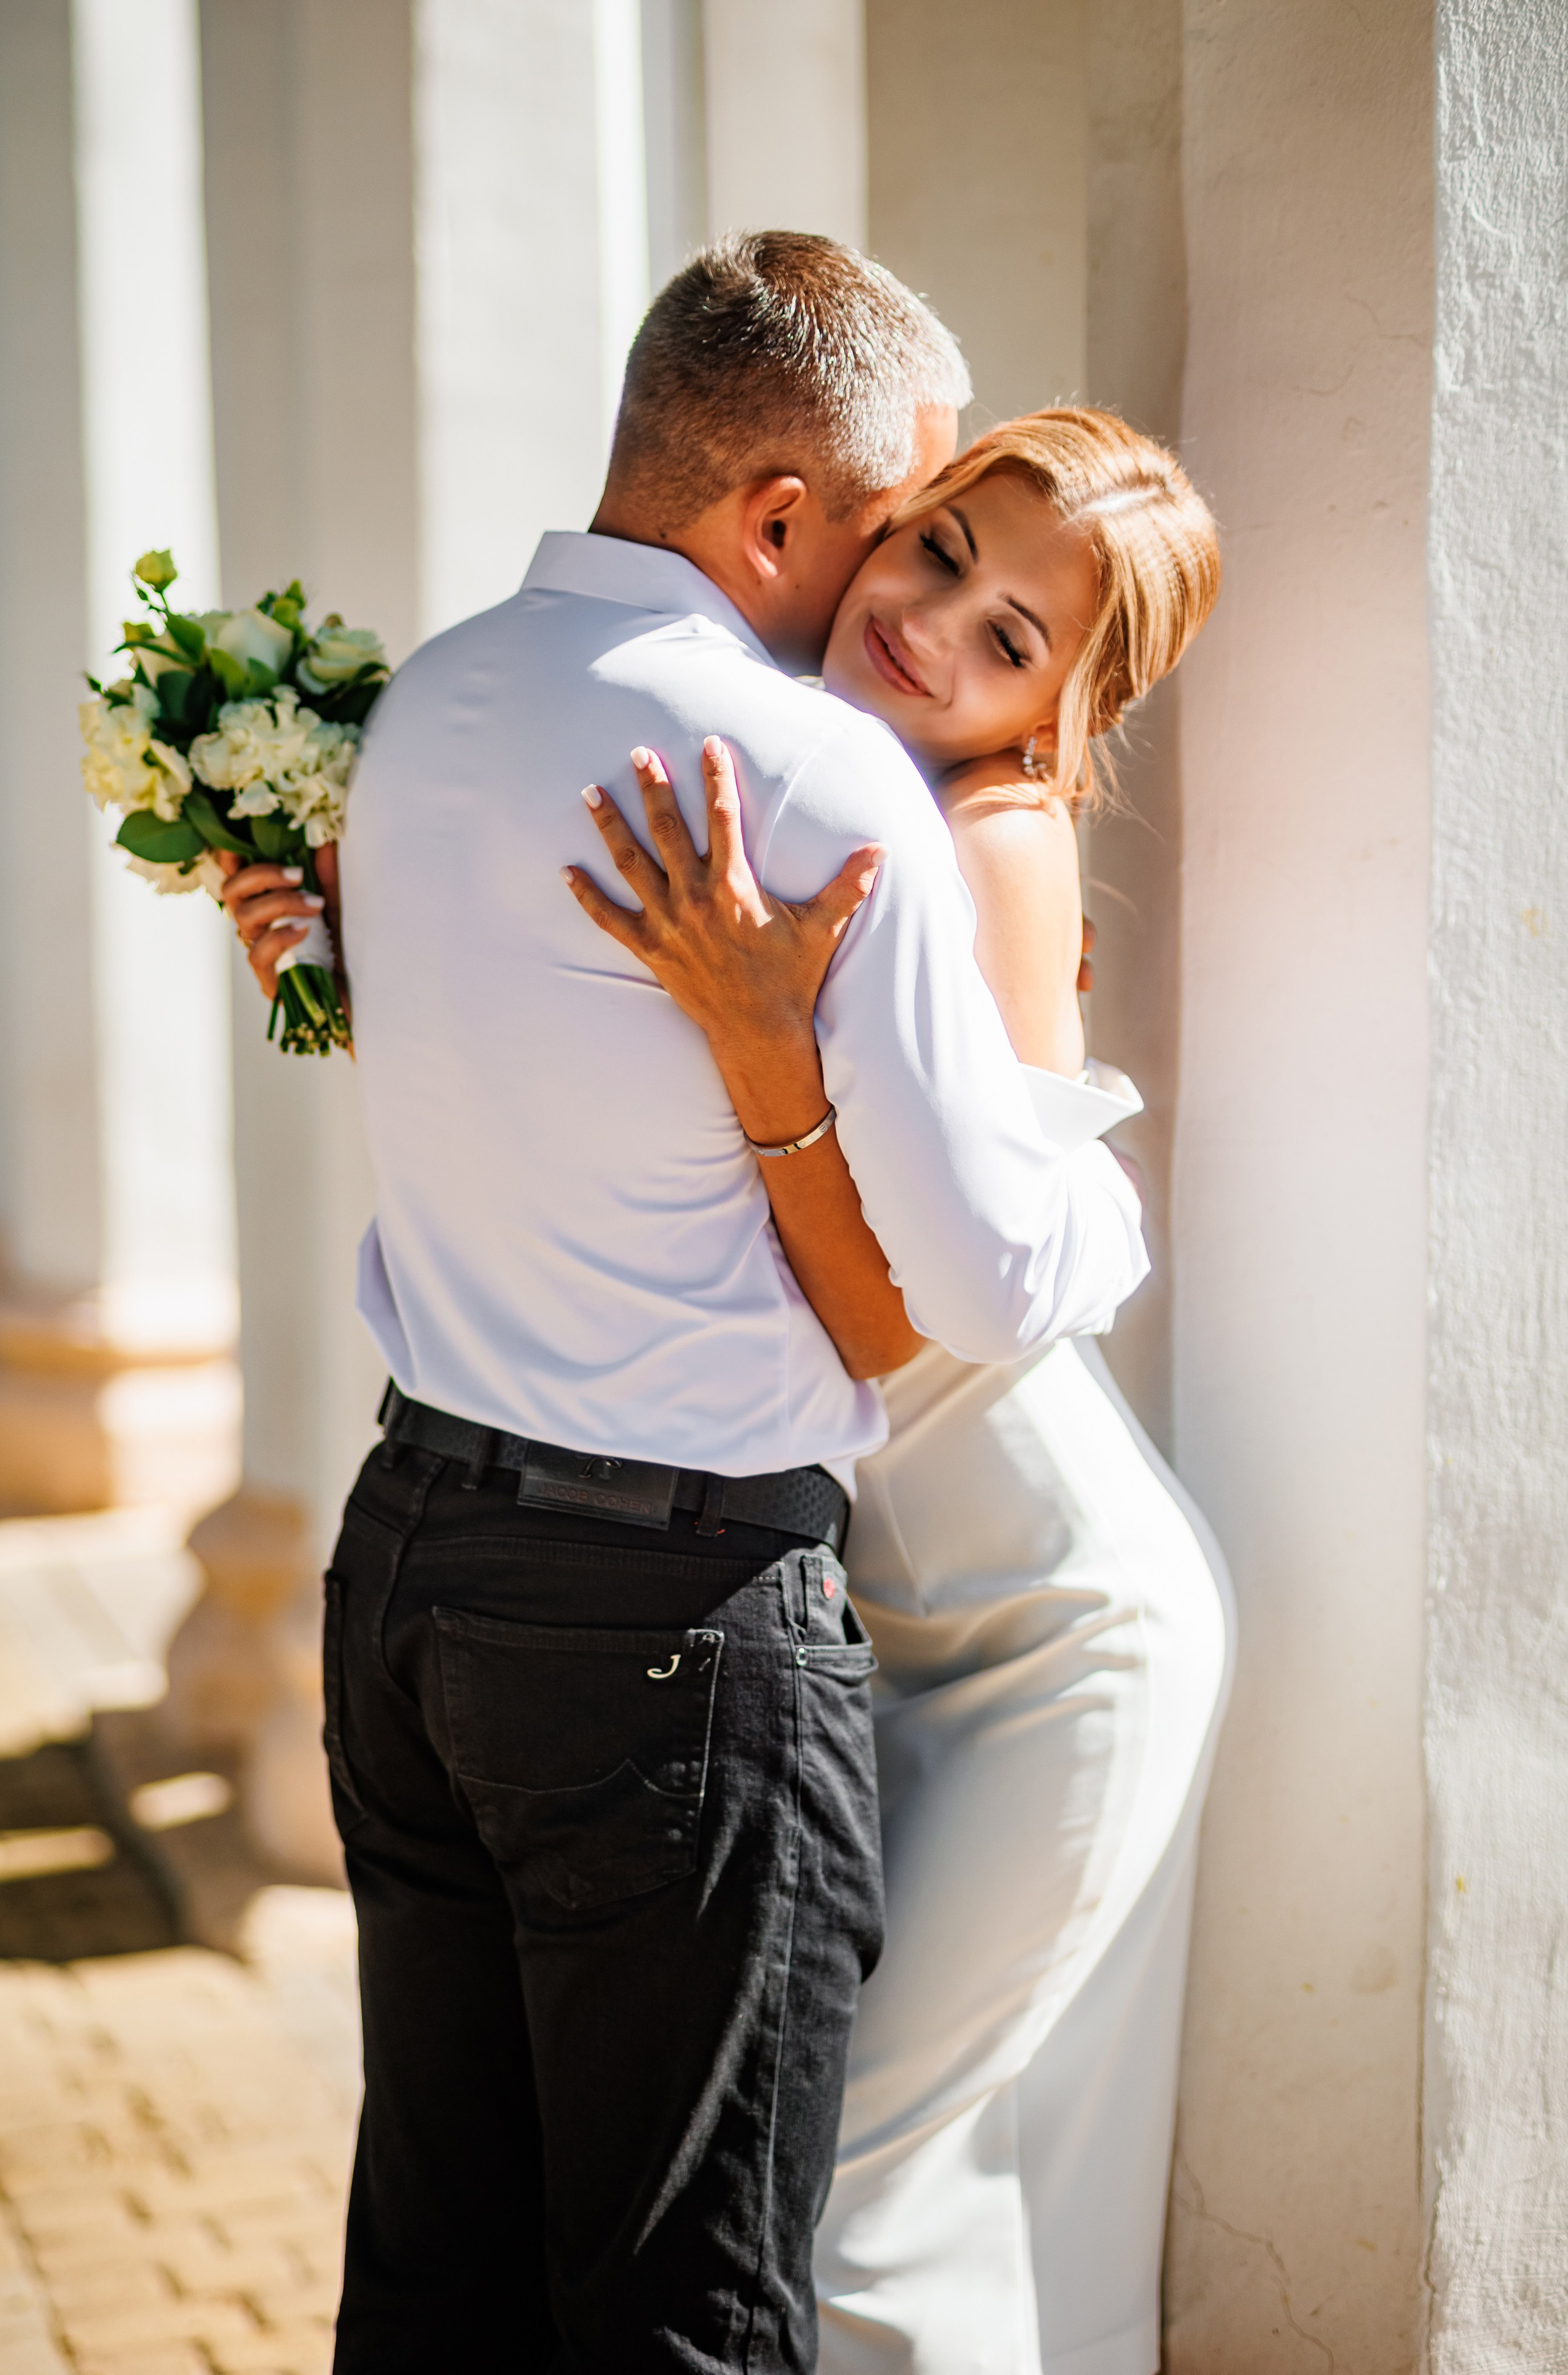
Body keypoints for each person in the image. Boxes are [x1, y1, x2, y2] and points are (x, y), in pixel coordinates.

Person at [223, 236, 1147, 2374]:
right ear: (780, 516)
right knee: (687, 2312)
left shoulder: (435, 701)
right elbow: (1004, 1282)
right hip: (664, 1636)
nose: (894, 600)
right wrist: (1086, 1150)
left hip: (410, 1575)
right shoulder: (807, 797)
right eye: (905, 524)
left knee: (439, 2264)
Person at [554, 408, 1234, 2375]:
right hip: (909, 1635)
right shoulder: (797, 766)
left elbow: (908, 1319)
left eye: (1013, 636)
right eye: (941, 550)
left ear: (1053, 721)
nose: (935, 623)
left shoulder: (989, 846)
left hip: (1059, 1638)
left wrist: (767, 1044)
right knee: (943, 2200)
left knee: (856, 2193)